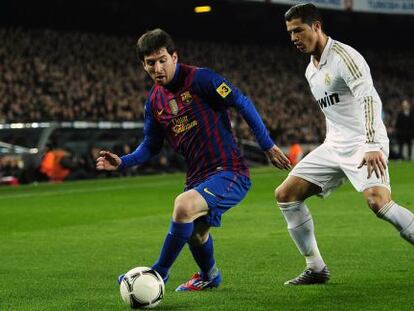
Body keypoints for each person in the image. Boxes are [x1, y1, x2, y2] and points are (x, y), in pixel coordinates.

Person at [96, 29, 291, 291]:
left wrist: (267, 145)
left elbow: (241, 101)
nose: (158, 67)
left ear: (174, 56)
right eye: (150, 63)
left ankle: (158, 274)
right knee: (196, 233)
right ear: (143, 65)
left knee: (183, 206)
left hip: (230, 171)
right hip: (197, 177)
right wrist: (123, 162)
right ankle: (209, 276)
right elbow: (150, 146)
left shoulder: (201, 79)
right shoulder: (154, 102)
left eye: (162, 59)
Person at [275, 3, 414, 285]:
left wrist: (374, 143)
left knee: (379, 204)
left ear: (316, 26)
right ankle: (316, 268)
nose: (293, 38)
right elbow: (335, 112)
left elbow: (368, 97)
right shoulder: (310, 71)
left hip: (364, 143)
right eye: (290, 33)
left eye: (298, 30)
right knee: (286, 195)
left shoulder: (344, 57)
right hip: (333, 146)